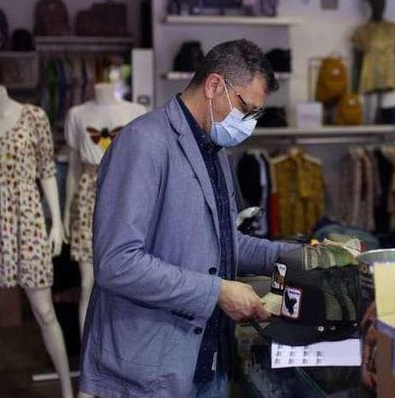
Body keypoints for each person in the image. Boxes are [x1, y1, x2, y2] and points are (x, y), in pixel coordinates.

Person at [78, 39, 296, 398]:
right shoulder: (144, 142)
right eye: (246, 108)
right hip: (147, 370)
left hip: (208, 361)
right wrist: (217, 291)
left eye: (256, 114)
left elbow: (224, 242)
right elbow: (117, 263)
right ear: (213, 86)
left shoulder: (214, 149)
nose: (248, 123)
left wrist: (289, 255)